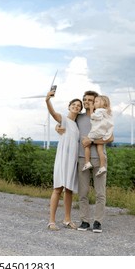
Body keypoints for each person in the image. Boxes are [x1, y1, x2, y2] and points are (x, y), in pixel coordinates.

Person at [57, 91, 114, 233]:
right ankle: (84, 221)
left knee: (100, 193)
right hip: (82, 159)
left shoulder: (103, 116)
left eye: (90, 99)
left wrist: (92, 140)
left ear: (96, 101)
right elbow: (66, 124)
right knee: (83, 193)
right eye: (85, 99)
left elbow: (111, 138)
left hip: (99, 159)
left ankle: (98, 222)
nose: (87, 101)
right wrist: (58, 127)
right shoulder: (79, 118)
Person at [45, 88, 83, 230]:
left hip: (72, 160)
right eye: (74, 105)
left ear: (80, 110)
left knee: (69, 190)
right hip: (62, 158)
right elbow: (53, 113)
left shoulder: (77, 126)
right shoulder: (64, 119)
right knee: (57, 189)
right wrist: (48, 100)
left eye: (79, 106)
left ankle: (67, 219)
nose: (76, 107)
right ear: (69, 106)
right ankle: (51, 221)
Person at [82, 95, 114, 177]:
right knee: (100, 150)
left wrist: (92, 109)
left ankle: (87, 162)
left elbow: (94, 116)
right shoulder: (108, 112)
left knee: (86, 144)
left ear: (103, 103)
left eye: (96, 102)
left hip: (96, 132)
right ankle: (102, 167)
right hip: (103, 133)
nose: (94, 103)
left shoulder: (99, 111)